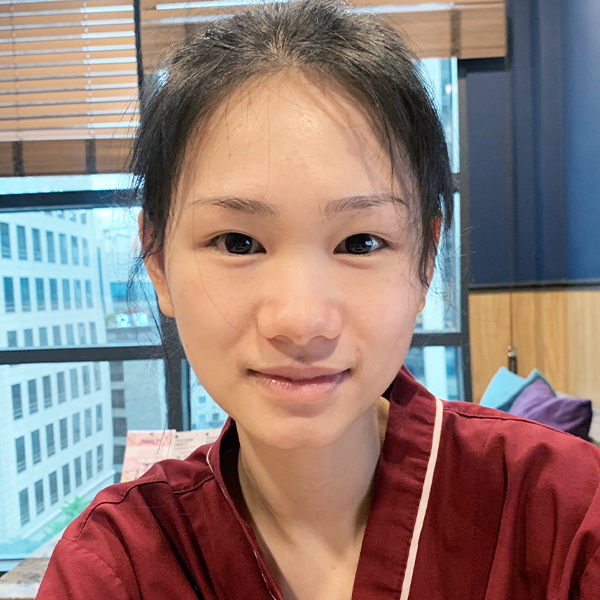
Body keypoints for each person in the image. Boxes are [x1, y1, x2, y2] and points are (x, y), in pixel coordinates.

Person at [37, 1, 600, 598]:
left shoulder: (567, 514)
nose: (302, 321)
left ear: (426, 260)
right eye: (237, 242)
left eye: (361, 242)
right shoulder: (116, 565)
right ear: (157, 261)